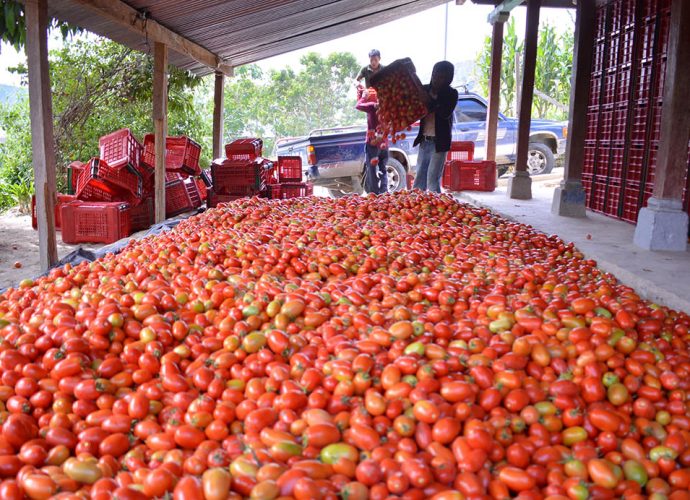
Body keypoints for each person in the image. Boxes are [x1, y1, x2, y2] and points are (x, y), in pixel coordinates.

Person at [413, 61, 459, 193]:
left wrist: (427, 100)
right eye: (434, 75)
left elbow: (445, 113)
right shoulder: (424, 90)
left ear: (448, 79)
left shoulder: (451, 94)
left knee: (432, 180)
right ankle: (415, 209)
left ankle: (435, 211)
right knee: (419, 180)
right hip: (424, 141)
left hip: (439, 144)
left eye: (440, 77)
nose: (435, 79)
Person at [356, 88, 388, 195]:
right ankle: (384, 192)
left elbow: (358, 105)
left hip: (373, 144)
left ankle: (375, 194)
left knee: (372, 170)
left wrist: (364, 97)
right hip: (384, 144)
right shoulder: (389, 109)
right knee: (383, 168)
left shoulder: (372, 107)